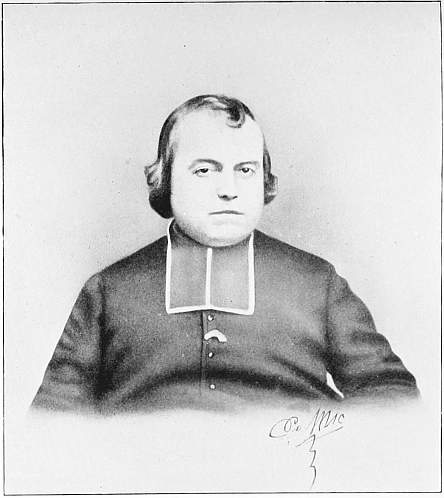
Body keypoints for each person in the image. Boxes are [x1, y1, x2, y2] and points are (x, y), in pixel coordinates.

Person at [31, 94, 418, 414]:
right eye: (205, 171)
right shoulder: (109, 290)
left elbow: (393, 395)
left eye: (245, 170)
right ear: (166, 179)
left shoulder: (316, 282)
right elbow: (54, 419)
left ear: (263, 180)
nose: (229, 189)